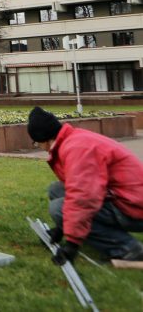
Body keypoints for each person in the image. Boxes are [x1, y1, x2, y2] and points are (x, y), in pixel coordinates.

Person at [27, 106, 143, 265]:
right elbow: (76, 187)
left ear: (43, 139)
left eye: (35, 143)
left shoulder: (77, 149)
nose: (37, 146)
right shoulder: (73, 139)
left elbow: (84, 198)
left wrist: (72, 244)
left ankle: (127, 248)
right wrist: (62, 228)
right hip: (125, 197)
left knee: (59, 208)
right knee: (57, 190)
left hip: (134, 206)